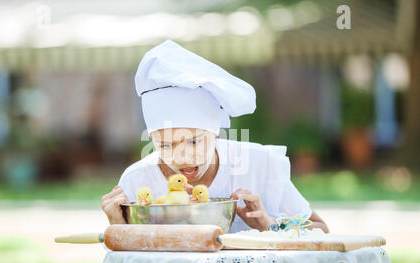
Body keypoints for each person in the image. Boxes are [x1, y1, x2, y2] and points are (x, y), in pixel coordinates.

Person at [101, 40, 329, 233]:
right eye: (165, 145)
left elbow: (321, 229)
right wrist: (119, 227)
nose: (182, 158)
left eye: (194, 141)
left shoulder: (259, 166)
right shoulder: (137, 181)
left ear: (216, 131)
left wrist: (270, 226)